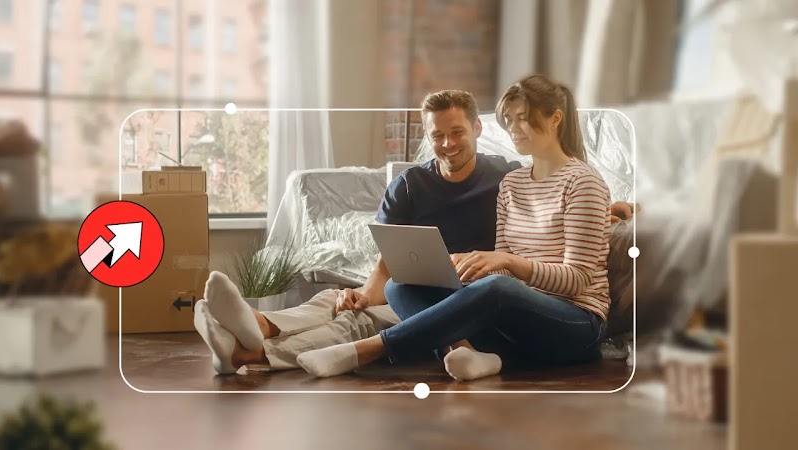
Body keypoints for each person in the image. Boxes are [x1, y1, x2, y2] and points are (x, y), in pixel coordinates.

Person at [194, 84, 635, 376]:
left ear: (477, 129)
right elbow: (389, 261)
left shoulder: (509, 174)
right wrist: (366, 292)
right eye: (438, 136)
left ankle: (315, 349)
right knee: (366, 298)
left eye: (457, 132)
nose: (448, 144)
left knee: (369, 320)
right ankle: (257, 327)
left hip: (530, 307)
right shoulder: (439, 184)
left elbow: (565, 216)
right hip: (461, 294)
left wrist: (608, 206)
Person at [296, 74, 613, 380]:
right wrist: (465, 269)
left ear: (555, 119)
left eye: (523, 118)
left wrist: (506, 263)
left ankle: (368, 350)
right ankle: (472, 353)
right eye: (509, 120)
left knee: (497, 288)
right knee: (399, 287)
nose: (513, 129)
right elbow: (504, 272)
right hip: (519, 324)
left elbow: (577, 280)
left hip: (575, 326)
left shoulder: (582, 182)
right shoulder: (512, 183)